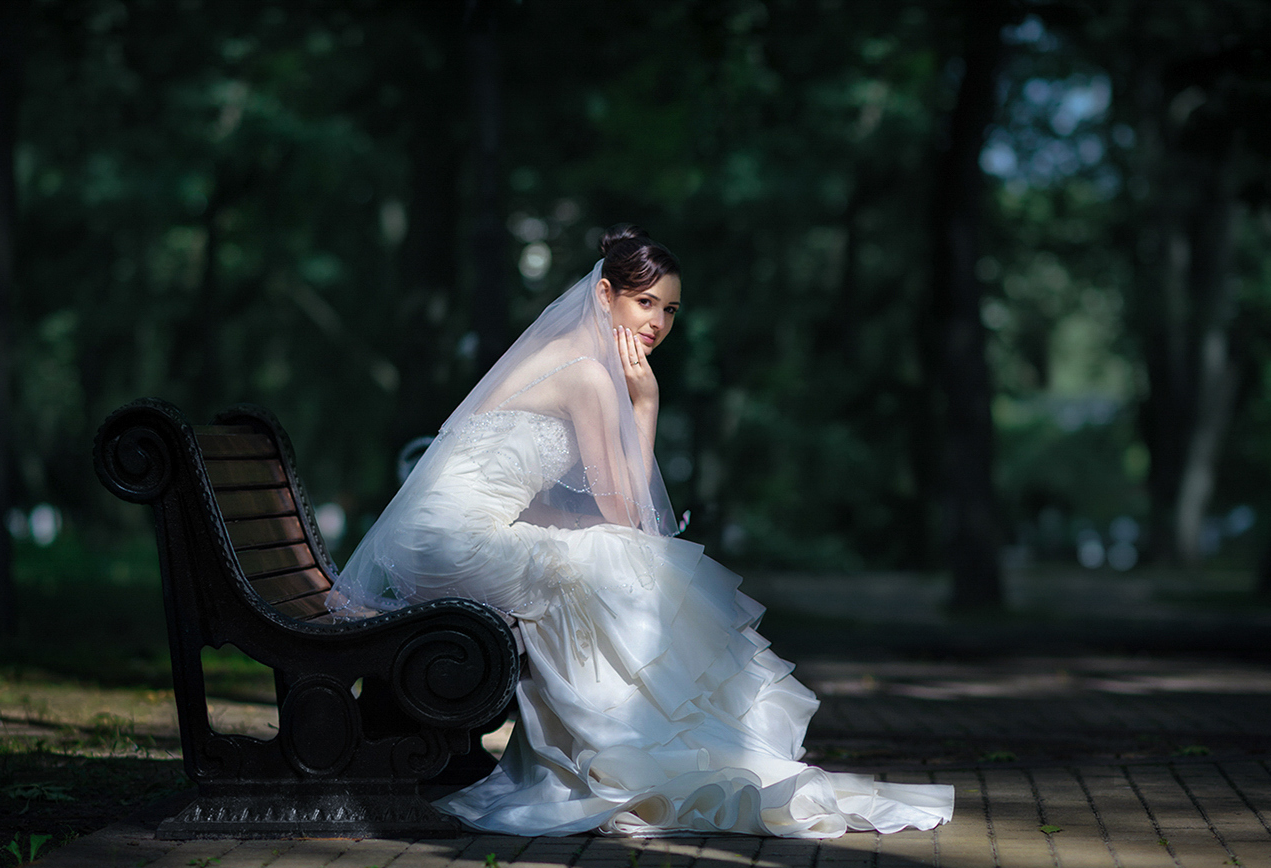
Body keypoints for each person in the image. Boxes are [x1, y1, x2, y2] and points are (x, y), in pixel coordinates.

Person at [329, 224, 954, 837]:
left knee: (611, 562)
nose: (657, 323)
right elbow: (630, 515)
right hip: (452, 541)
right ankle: (645, 749)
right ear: (605, 296)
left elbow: (557, 505)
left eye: (671, 310)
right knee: (629, 565)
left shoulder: (561, 360)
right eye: (645, 302)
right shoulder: (590, 375)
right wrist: (647, 401)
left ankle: (625, 746)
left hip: (437, 536)